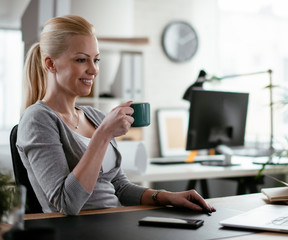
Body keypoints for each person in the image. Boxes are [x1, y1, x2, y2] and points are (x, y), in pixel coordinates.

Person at [17, 15, 215, 215]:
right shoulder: (37, 119)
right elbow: (66, 203)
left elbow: (119, 187)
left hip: (116, 222)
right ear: (50, 64)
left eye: (96, 60)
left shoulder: (94, 116)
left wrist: (167, 196)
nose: (93, 70)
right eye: (81, 60)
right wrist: (103, 134)